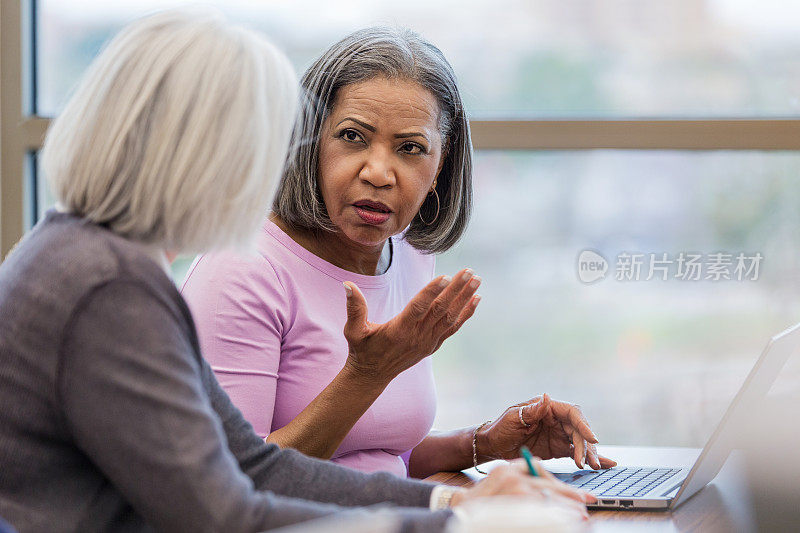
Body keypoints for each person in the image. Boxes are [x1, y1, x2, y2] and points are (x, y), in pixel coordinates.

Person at [0, 9, 593, 533]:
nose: (267, 176)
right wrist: (455, 525)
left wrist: (449, 503)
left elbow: (254, 466)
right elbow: (221, 515)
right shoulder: (109, 288)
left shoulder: (93, 260)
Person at [181, 26, 616, 481]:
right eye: (352, 137)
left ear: (440, 162)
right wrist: (366, 376)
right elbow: (229, 485)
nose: (379, 172)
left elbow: (376, 454)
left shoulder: (407, 253)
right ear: (310, 142)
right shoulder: (242, 269)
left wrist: (485, 443)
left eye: (410, 148)